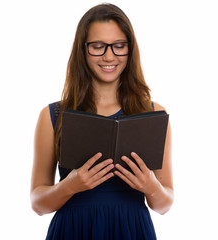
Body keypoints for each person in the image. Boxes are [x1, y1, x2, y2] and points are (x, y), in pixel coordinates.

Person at [30, 3, 174, 240]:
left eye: (119, 46)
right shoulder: (53, 115)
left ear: (130, 49)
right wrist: (70, 186)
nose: (109, 56)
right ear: (83, 50)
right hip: (74, 230)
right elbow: (37, 203)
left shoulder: (153, 113)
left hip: (133, 230)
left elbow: (165, 204)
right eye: (98, 46)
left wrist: (150, 186)